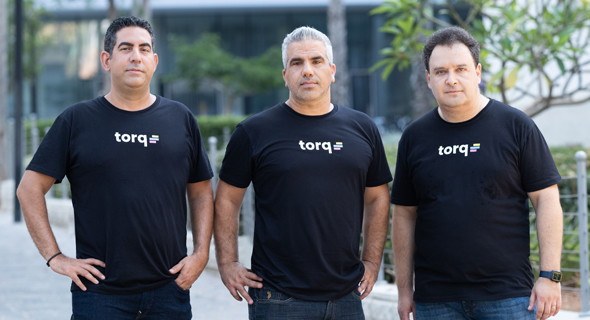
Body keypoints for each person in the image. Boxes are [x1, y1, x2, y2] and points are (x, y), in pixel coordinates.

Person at [16, 16, 214, 319]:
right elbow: (29, 189)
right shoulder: (76, 121)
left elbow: (200, 193)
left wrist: (201, 254)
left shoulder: (181, 119)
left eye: (144, 49)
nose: (136, 56)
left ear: (155, 61)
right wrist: (55, 257)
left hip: (170, 290)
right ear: (107, 60)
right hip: (99, 296)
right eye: (126, 48)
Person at [213, 26, 392, 319]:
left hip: (346, 296)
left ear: (332, 71)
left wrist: (372, 261)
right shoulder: (254, 131)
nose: (307, 70)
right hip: (277, 297)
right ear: (285, 75)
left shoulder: (363, 129)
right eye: (297, 63)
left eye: (316, 61)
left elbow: (377, 198)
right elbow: (226, 200)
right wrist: (228, 263)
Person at [390, 26, 563, 320]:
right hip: (436, 300)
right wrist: (404, 290)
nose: (452, 79)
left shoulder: (516, 126)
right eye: (441, 71)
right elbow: (404, 215)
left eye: (461, 69)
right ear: (429, 79)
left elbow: (546, 200)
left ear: (478, 72)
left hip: (508, 296)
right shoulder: (414, 137)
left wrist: (550, 276)